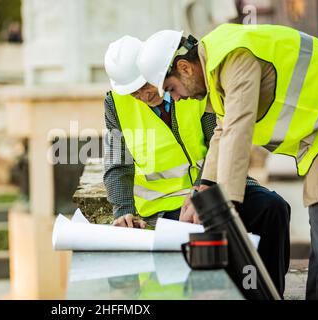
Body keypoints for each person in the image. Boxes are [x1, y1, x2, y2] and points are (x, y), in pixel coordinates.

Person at [137, 24, 318, 299]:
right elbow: (223, 130)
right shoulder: (217, 61)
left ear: (185, 68)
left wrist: (225, 209)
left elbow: (239, 129)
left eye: (171, 88)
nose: (175, 98)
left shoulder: (234, 57)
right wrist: (202, 192)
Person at [104, 35, 291, 296]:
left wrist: (202, 192)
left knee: (273, 208)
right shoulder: (115, 104)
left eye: (145, 85)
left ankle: (268, 293)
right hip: (167, 210)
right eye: (132, 92)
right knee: (208, 233)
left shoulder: (193, 86)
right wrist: (123, 211)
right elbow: (117, 165)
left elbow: (221, 140)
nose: (142, 95)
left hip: (212, 187)